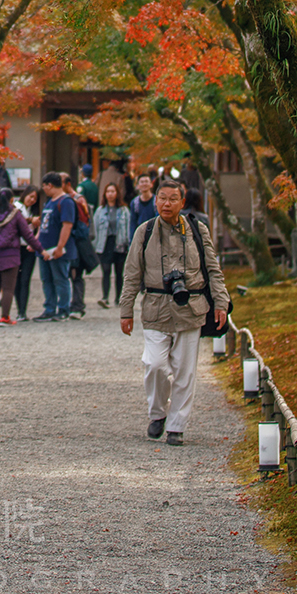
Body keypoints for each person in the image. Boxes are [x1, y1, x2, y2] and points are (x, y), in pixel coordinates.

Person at [118, 178, 226, 445]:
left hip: (191, 308)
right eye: (162, 198)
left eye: (172, 199)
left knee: (185, 371)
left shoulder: (198, 230)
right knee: (154, 364)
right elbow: (132, 274)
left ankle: (177, 426)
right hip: (156, 308)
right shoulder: (144, 231)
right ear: (155, 201)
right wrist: (126, 309)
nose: (167, 203)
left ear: (182, 202)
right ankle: (157, 413)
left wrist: (221, 302)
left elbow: (213, 268)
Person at [0, 190, 36, 324]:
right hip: (10, 255)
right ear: (11, 200)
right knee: (8, 288)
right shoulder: (15, 215)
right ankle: (5, 316)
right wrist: (40, 249)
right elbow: (27, 234)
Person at [33, 171, 79, 321]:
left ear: (50, 185)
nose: (44, 190)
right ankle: (50, 308)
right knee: (47, 279)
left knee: (60, 278)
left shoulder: (65, 202)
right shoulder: (49, 202)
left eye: (45, 186)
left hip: (57, 249)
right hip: (44, 249)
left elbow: (67, 225)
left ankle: (64, 308)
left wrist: (60, 247)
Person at [93, 180, 132, 307]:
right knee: (106, 270)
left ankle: (118, 298)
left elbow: (128, 227)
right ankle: (105, 297)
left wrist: (128, 243)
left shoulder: (124, 210)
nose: (110, 194)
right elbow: (95, 228)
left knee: (119, 272)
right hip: (105, 243)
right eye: (108, 192)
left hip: (120, 242)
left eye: (112, 191)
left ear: (117, 193)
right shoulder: (100, 211)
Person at [62, 173, 93, 318]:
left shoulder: (77, 199)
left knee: (76, 274)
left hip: (77, 242)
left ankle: (77, 304)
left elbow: (83, 222)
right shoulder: (63, 199)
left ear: (67, 184)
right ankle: (70, 304)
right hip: (69, 242)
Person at [13, 186, 39, 320]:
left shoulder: (32, 210)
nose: (32, 200)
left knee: (25, 279)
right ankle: (19, 310)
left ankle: (23, 310)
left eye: (35, 198)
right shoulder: (16, 207)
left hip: (29, 247)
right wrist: (30, 220)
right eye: (31, 196)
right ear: (25, 194)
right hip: (18, 247)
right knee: (17, 279)